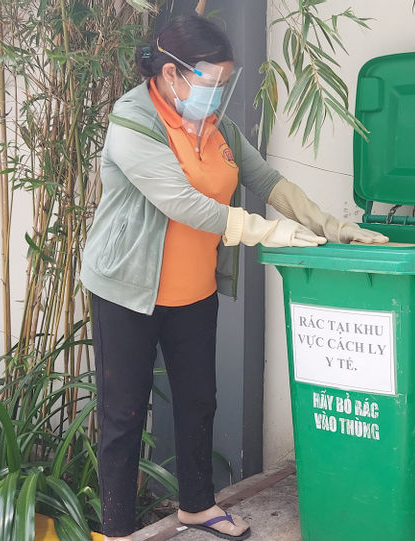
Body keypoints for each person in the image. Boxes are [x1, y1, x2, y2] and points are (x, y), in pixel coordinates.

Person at [79, 14, 388, 541]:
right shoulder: (132, 121)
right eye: (211, 82)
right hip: (128, 293)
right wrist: (265, 231)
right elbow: (180, 201)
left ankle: (197, 507)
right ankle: (116, 531)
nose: (218, 95)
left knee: (199, 401)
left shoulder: (216, 125)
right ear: (172, 73)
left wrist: (331, 225)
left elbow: (267, 179)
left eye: (225, 83)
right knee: (124, 415)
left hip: (194, 292)